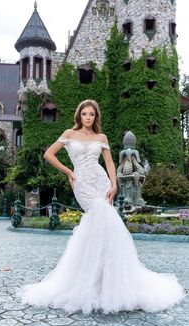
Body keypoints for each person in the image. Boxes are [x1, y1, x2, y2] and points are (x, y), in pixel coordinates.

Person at [17, 99, 184, 314]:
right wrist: (68, 171)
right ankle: (89, 278)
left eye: (92, 114)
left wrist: (114, 184)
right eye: (85, 114)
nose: (88, 117)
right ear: (79, 115)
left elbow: (110, 163)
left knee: (105, 222)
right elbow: (48, 154)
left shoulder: (101, 137)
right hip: (81, 182)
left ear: (96, 117)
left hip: (100, 180)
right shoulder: (69, 133)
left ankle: (108, 280)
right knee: (98, 216)